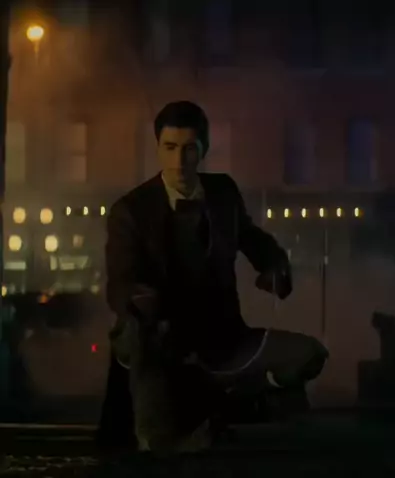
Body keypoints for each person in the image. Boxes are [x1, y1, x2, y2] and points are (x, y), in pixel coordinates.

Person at [105, 101, 329, 457]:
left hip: (225, 338)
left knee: (309, 355)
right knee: (141, 340)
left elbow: (252, 238)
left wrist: (273, 266)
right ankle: (164, 433)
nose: (179, 161)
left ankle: (243, 403)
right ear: (158, 148)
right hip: (161, 340)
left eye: (189, 149)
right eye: (170, 148)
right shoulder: (130, 210)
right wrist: (139, 299)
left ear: (204, 149)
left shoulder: (223, 192)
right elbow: (119, 281)